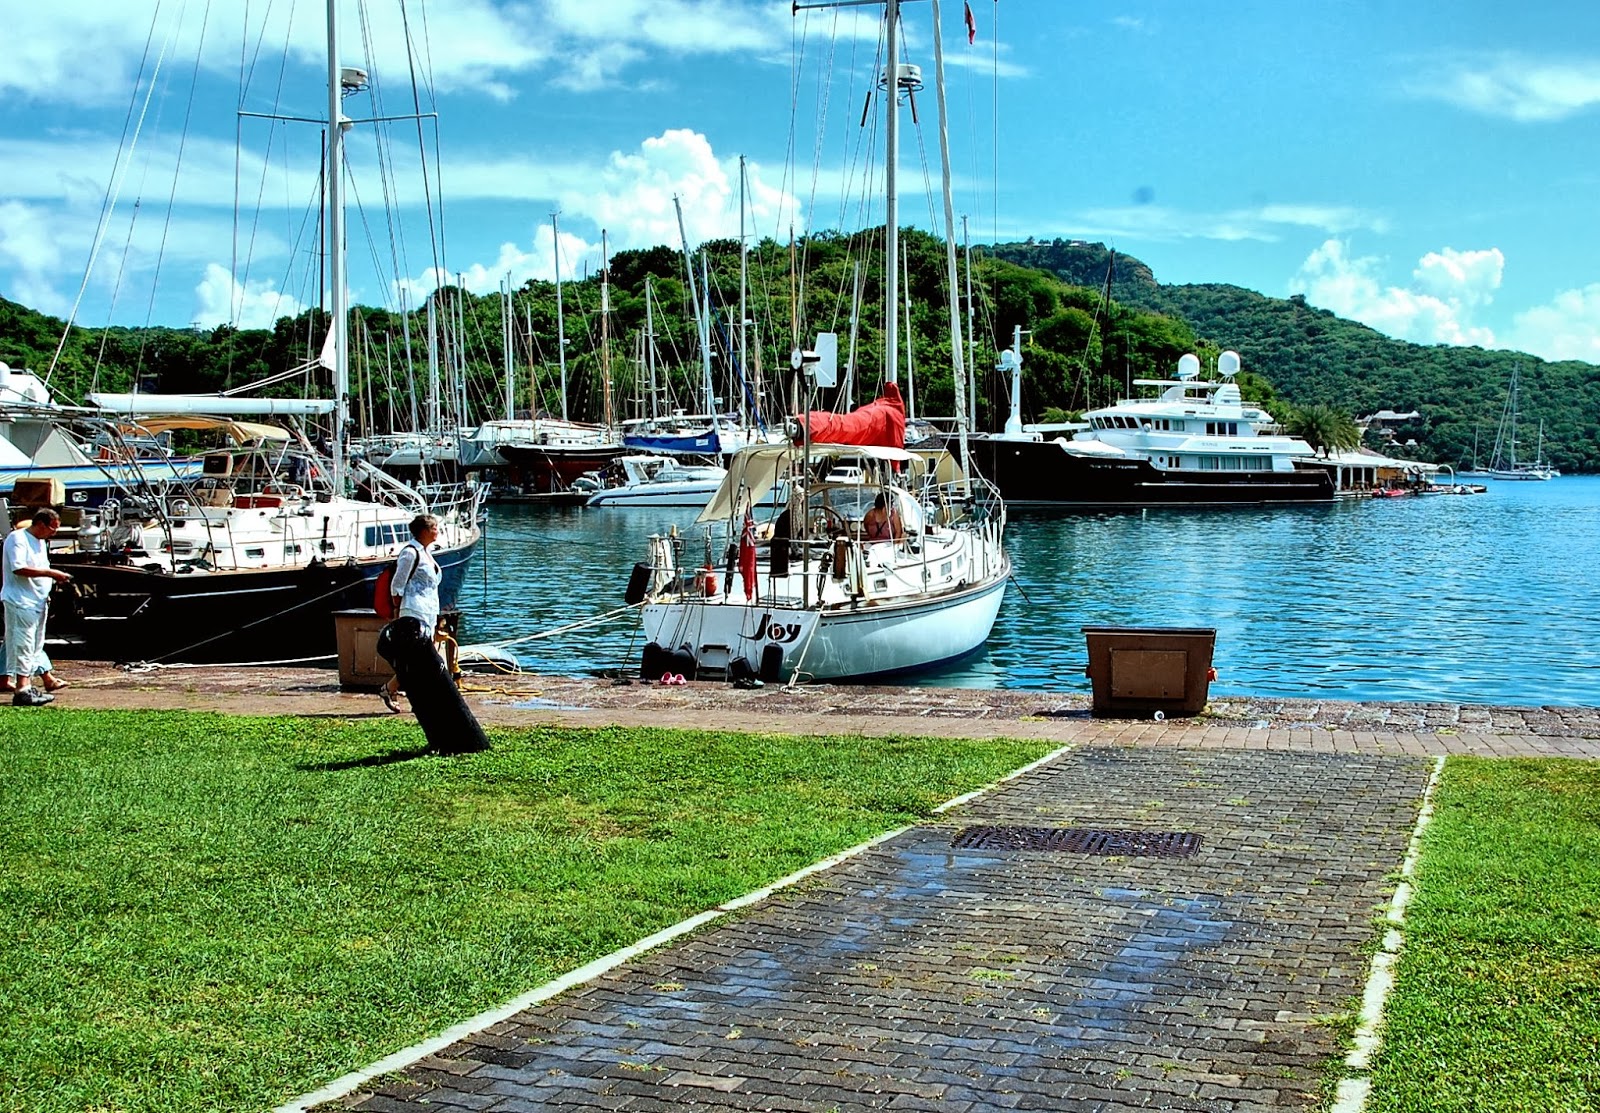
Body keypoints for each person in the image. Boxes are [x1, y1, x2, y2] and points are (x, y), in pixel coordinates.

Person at [4, 508, 71, 706]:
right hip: (21, 600)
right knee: (23, 643)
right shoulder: (18, 538)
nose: (54, 533)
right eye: (52, 528)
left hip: (38, 600)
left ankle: (26, 685)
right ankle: (22, 689)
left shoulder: (40, 542)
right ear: (41, 524)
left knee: (34, 645)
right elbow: (18, 568)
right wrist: (52, 573)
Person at [381, 514, 441, 712]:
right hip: (414, 609)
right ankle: (394, 689)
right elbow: (397, 585)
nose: (437, 531)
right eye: (434, 527)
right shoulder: (410, 553)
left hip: (428, 609)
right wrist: (398, 612)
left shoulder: (426, 552)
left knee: (424, 657)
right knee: (418, 657)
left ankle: (401, 691)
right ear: (424, 531)